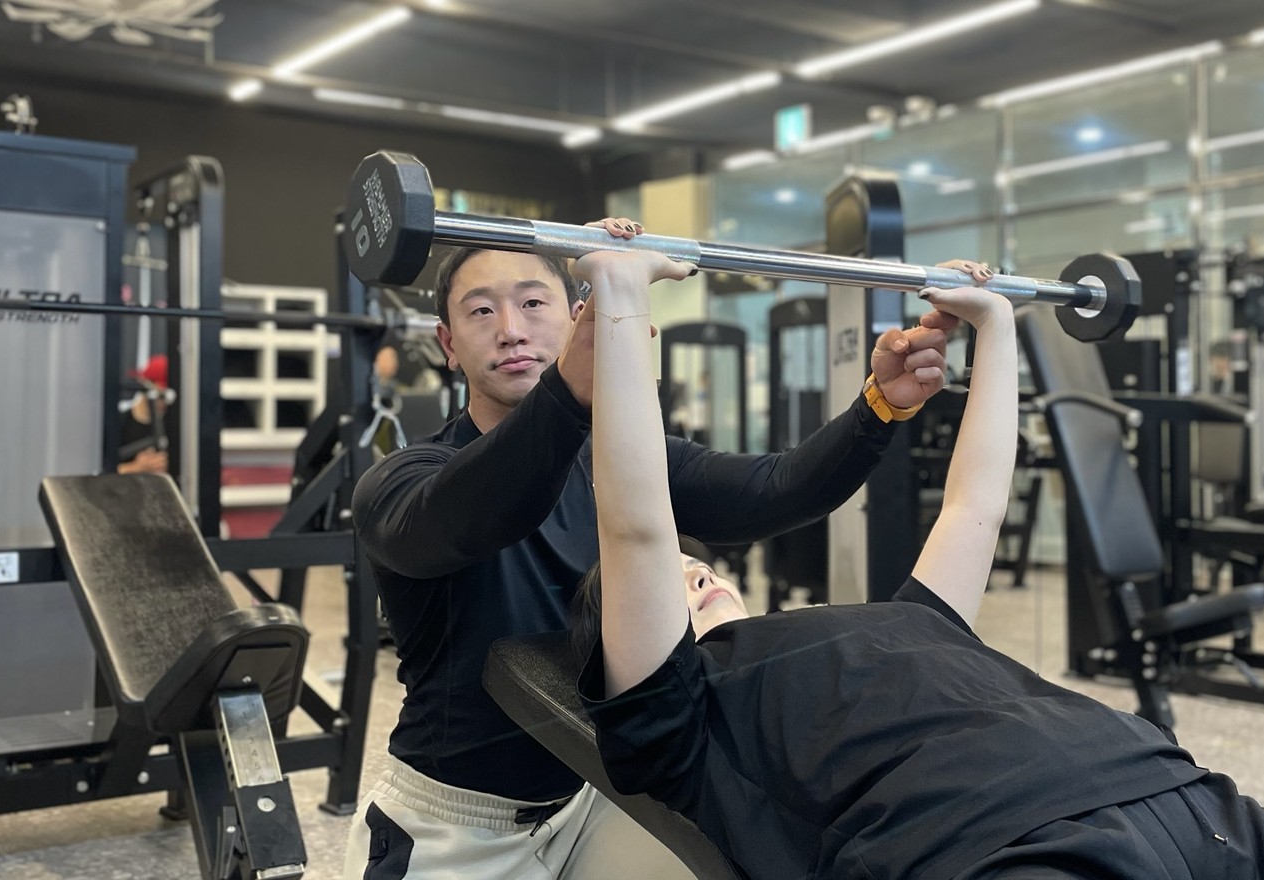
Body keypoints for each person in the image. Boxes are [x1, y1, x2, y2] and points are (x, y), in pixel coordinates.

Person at [572, 249, 1264, 880]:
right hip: (1011, 851)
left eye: (696, 563)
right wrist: (620, 298)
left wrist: (997, 325)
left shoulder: (909, 618)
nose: (694, 571)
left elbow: (975, 501)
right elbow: (638, 526)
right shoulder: (679, 712)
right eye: (676, 586)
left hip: (1200, 805)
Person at [343, 218, 964, 879]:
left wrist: (879, 408)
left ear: (576, 318)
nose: (511, 329)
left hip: (595, 795)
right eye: (481, 311)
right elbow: (481, 511)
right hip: (458, 825)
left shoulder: (623, 464)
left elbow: (775, 489)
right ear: (447, 344)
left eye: (532, 302)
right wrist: (574, 384)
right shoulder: (405, 482)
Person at [116, 354, 171, 475]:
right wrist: (136, 467)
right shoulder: (119, 423)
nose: (164, 403)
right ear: (143, 384)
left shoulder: (178, 425)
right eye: (160, 395)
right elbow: (101, 474)